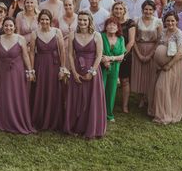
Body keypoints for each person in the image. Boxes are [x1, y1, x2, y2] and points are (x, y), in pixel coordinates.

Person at [64, 11, 106, 139]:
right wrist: (74, 72)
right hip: (77, 68)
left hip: (92, 70)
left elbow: (99, 55)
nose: (82, 22)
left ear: (89, 22)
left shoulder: (96, 35)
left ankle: (91, 127)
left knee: (90, 98)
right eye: (80, 20)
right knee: (76, 98)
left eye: (85, 20)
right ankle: (76, 126)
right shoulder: (73, 35)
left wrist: (92, 72)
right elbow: (70, 54)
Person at [0, 18, 36, 135]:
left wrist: (30, 70)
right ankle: (5, 122)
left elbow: (26, 56)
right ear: (3, 27)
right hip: (3, 71)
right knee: (5, 95)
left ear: (14, 27)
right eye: (6, 26)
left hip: (17, 71)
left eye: (11, 26)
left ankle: (18, 120)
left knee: (17, 95)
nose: (8, 28)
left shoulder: (20, 39)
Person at [30, 10, 66, 131]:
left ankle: (53, 119)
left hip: (54, 64)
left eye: (47, 19)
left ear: (50, 20)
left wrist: (63, 68)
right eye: (42, 19)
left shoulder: (57, 32)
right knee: (41, 89)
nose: (44, 21)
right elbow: (31, 53)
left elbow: (62, 50)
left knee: (53, 90)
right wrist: (31, 70)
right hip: (40, 65)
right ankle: (40, 118)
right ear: (39, 21)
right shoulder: (35, 33)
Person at [150, 12, 182, 124]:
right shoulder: (163, 32)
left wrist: (168, 65)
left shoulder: (179, 34)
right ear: (164, 22)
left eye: (172, 21)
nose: (170, 23)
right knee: (160, 87)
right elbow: (157, 45)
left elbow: (180, 52)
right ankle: (158, 111)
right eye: (168, 21)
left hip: (172, 65)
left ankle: (165, 114)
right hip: (160, 65)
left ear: (176, 22)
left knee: (162, 88)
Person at [131, 0, 162, 109]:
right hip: (138, 47)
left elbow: (159, 40)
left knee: (150, 74)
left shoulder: (158, 22)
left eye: (150, 9)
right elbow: (133, 39)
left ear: (154, 10)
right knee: (140, 73)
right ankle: (141, 98)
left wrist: (151, 54)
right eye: (146, 9)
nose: (148, 11)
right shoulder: (136, 21)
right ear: (142, 10)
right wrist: (138, 54)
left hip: (152, 49)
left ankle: (150, 97)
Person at [112, 2, 136, 114]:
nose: (118, 11)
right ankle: (109, 103)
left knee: (125, 80)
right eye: (116, 9)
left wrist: (122, 55)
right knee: (112, 80)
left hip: (125, 55)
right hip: (111, 56)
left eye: (120, 9)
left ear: (124, 10)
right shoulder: (111, 23)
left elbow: (131, 42)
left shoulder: (130, 23)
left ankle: (125, 106)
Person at [100, 17, 125, 122]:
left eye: (114, 25)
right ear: (106, 27)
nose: (111, 26)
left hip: (115, 68)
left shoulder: (121, 39)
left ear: (118, 27)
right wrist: (103, 60)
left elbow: (122, 56)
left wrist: (110, 58)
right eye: (109, 24)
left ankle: (109, 114)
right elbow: (98, 52)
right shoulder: (101, 36)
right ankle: (99, 113)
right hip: (101, 67)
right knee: (101, 89)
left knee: (111, 91)